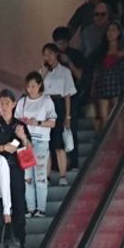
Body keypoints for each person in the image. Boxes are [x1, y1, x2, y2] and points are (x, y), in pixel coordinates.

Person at [14, 71, 56, 217]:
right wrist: (23, 125)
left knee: (40, 176)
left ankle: (41, 208)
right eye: (28, 86)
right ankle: (31, 208)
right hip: (26, 141)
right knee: (28, 177)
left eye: (33, 86)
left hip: (41, 140)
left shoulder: (46, 100)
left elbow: (52, 122)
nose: (30, 89)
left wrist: (37, 122)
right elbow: (16, 121)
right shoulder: (22, 102)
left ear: (39, 85)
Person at [0, 90, 27, 248]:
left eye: (7, 103)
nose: (4, 106)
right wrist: (4, 147)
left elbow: (29, 149)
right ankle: (1, 242)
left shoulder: (20, 125)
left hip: (16, 169)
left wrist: (23, 137)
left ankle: (20, 241)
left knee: (18, 205)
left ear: (13, 104)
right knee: (0, 206)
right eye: (1, 103)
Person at [91, 18, 124, 133]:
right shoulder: (102, 50)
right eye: (108, 30)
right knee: (104, 117)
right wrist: (93, 87)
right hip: (103, 84)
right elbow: (97, 70)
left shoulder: (123, 49)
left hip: (117, 84)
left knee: (116, 115)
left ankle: (118, 137)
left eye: (113, 30)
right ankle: (105, 138)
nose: (110, 33)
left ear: (119, 32)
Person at [41, 42, 76, 176]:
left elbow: (67, 95)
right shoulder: (42, 72)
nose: (48, 57)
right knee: (47, 143)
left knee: (59, 143)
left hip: (59, 105)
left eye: (50, 53)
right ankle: (47, 175)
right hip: (45, 106)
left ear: (56, 53)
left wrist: (68, 116)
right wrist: (43, 73)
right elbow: (35, 90)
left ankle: (62, 175)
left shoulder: (65, 71)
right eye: (45, 55)